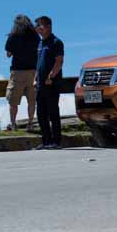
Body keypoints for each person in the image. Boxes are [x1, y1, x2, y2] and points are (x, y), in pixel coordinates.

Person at [34, 16, 65, 149]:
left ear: (47, 26)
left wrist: (51, 76)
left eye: (39, 25)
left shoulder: (56, 42)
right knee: (41, 113)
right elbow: (38, 63)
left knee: (53, 112)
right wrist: (35, 78)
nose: (37, 28)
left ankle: (56, 141)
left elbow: (59, 62)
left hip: (51, 83)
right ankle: (46, 141)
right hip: (40, 84)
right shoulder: (41, 43)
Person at [4, 14, 39, 131]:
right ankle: (30, 123)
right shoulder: (35, 36)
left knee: (13, 101)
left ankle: (13, 124)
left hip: (17, 71)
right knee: (32, 100)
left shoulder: (13, 36)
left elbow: (8, 54)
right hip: (33, 72)